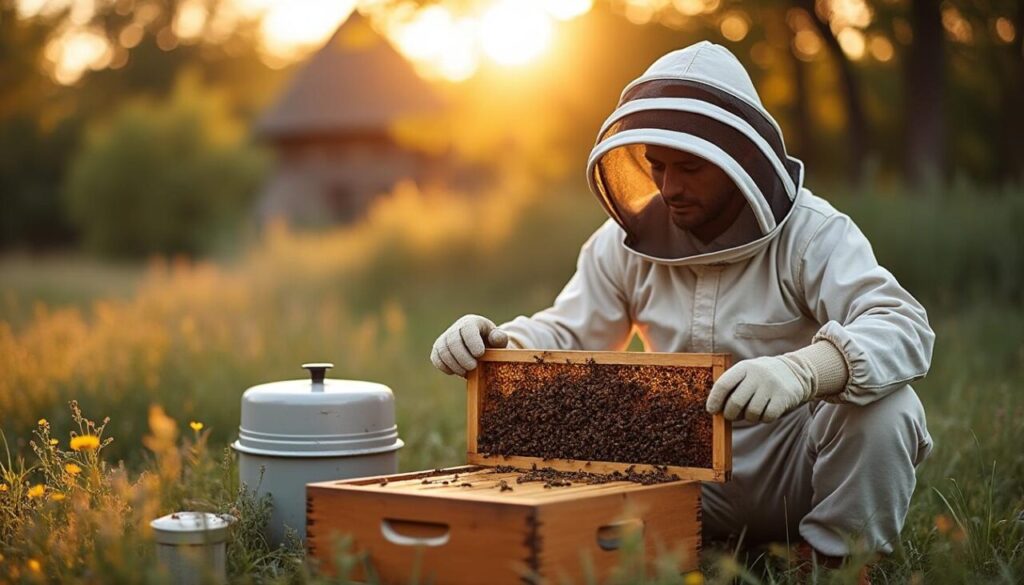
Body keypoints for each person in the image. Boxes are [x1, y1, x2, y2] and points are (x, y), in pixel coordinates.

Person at [430, 41, 934, 570]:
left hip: (795, 472)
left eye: (690, 168)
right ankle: (672, 550)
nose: (669, 187)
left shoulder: (813, 234)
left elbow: (902, 325)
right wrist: (501, 344)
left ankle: (836, 563)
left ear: (737, 160)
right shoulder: (620, 242)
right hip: (676, 478)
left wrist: (805, 371)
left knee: (888, 409)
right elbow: (571, 332)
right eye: (657, 166)